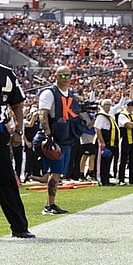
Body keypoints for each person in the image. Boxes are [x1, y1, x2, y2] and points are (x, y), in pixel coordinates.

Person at [0, 34, 34, 237]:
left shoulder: (6, 74)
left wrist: (19, 131)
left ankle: (19, 227)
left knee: (6, 181)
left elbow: (17, 105)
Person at [38, 65, 90, 215]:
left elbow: (73, 113)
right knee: (54, 171)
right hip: (55, 136)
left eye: (68, 75)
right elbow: (43, 115)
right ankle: (49, 205)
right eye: (62, 75)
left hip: (67, 136)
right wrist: (48, 135)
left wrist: (83, 109)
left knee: (58, 172)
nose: (66, 78)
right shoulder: (49, 93)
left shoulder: (71, 94)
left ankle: (51, 204)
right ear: (56, 76)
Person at [93, 99, 119, 186]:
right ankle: (101, 180)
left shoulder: (109, 115)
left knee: (107, 161)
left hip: (110, 141)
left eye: (109, 104)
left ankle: (106, 179)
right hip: (104, 140)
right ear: (102, 105)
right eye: (106, 104)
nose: (108, 106)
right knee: (102, 162)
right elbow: (97, 129)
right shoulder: (101, 116)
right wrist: (101, 142)